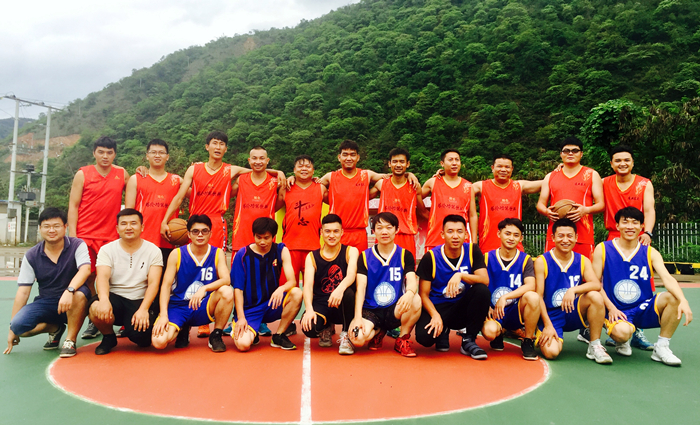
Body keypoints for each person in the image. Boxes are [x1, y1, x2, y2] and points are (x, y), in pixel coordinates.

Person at [159, 131, 282, 338]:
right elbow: (180, 196)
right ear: (207, 146)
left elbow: (257, 167)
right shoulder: (194, 169)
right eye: (214, 143)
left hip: (217, 221)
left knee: (216, 271)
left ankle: (211, 318)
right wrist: (165, 220)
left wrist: (279, 172)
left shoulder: (230, 170)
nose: (218, 147)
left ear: (226, 149)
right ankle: (188, 312)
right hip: (196, 221)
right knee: (189, 269)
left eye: (222, 144)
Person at [592, 207, 692, 365]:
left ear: (641, 227)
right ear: (617, 226)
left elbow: (667, 278)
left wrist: (683, 300)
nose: (630, 226)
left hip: (642, 307)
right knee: (622, 333)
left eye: (634, 223)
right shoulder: (603, 249)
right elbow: (594, 283)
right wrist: (610, 308)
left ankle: (662, 347)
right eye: (625, 222)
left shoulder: (650, 252)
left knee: (674, 297)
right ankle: (622, 338)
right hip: (616, 309)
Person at [4, 208, 91, 358]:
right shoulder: (31, 255)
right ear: (40, 228)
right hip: (47, 301)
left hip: (74, 299)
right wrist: (12, 328)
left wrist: (69, 290)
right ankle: (55, 328)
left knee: (78, 295)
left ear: (65, 227)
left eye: (56, 226)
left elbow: (85, 269)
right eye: (47, 226)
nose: (51, 230)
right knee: (18, 326)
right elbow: (23, 291)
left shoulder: (77, 245)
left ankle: (70, 340)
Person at [68, 136, 128, 339]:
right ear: (94, 153)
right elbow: (73, 205)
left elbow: (139, 186)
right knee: (89, 278)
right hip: (85, 235)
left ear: (115, 154)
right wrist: (73, 237)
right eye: (101, 152)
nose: (105, 156)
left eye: (109, 152)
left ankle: (115, 316)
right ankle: (94, 317)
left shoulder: (122, 174)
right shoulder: (83, 174)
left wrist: (142, 170)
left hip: (111, 236)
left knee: (113, 277)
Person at [599, 145, 657, 349]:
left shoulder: (644, 183)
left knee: (641, 283)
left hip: (637, 237)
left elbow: (649, 210)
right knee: (610, 284)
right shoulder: (604, 182)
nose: (622, 163)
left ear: (632, 163)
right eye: (618, 160)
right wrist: (562, 168)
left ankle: (638, 330)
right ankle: (613, 324)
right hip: (614, 237)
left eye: (626, 160)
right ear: (611, 164)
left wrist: (647, 233)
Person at [535, 218, 612, 364]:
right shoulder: (542, 261)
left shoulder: (583, 260)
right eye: (561, 236)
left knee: (595, 296)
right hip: (551, 315)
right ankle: (543, 333)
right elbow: (538, 296)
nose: (565, 240)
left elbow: (596, 284)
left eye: (569, 236)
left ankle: (594, 345)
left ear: (576, 237)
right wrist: (548, 325)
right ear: (553, 238)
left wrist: (573, 290)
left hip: (572, 311)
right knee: (551, 352)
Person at [151, 215, 233, 352]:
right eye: (195, 231)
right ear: (189, 234)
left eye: (204, 231)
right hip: (179, 305)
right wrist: (164, 315)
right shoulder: (177, 254)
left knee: (227, 291)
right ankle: (182, 328)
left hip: (203, 305)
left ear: (210, 233)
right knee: (159, 342)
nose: (200, 235)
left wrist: (204, 288)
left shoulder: (217, 253)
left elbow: (226, 280)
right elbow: (166, 286)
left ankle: (216, 334)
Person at [415, 215, 490, 359]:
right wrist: (435, 315)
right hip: (439, 306)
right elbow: (423, 294)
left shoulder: (472, 251)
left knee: (482, 290)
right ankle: (443, 330)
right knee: (424, 338)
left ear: (466, 234)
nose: (455, 236)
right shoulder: (431, 257)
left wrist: (461, 275)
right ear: (442, 234)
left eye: (459, 231)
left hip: (461, 307)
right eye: (450, 231)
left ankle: (469, 340)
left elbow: (484, 280)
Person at [88, 209, 163, 355]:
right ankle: (108, 337)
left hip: (139, 300)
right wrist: (104, 300)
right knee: (96, 307)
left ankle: (131, 328)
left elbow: (154, 284)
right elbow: (102, 278)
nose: (128, 227)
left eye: (133, 223)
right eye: (124, 224)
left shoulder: (153, 250)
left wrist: (144, 309)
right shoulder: (107, 250)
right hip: (115, 298)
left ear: (142, 227)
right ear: (117, 228)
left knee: (142, 339)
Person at [348, 212, 421, 357]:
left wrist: (409, 293)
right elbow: (360, 288)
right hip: (371, 311)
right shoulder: (364, 256)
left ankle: (402, 339)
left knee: (415, 299)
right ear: (373, 231)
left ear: (396, 229)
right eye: (380, 228)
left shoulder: (404, 255)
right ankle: (377, 331)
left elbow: (412, 281)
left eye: (389, 227)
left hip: (395, 309)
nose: (384, 232)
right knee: (357, 339)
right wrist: (357, 317)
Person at [318, 139, 411, 251]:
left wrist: (409, 174)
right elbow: (313, 188)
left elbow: (392, 176)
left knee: (360, 262)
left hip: (359, 233)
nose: (349, 158)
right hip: (336, 232)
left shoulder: (366, 175)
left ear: (358, 157)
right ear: (339, 157)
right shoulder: (330, 177)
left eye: (352, 155)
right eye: (345, 155)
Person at [231, 218, 302, 351]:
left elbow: (292, 281)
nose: (262, 241)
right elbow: (238, 289)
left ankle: (279, 335)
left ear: (273, 236)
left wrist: (281, 288)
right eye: (258, 237)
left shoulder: (281, 250)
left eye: (266, 238)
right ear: (253, 235)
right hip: (250, 309)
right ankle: (249, 330)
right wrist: (241, 318)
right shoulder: (243, 254)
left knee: (297, 293)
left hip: (272, 304)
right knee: (243, 345)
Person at [480, 218, 540, 360]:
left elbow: (531, 285)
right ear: (499, 234)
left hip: (515, 310)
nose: (511, 238)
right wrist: (485, 305)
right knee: (489, 332)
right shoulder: (487, 257)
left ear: (521, 238)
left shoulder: (525, 259)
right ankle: (499, 333)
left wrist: (505, 297)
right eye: (507, 233)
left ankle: (528, 340)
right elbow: (478, 284)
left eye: (516, 235)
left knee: (533, 297)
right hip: (494, 311)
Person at [536, 137, 604, 259]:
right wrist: (547, 212)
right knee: (552, 269)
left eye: (575, 150)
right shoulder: (550, 176)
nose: (570, 153)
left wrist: (585, 210)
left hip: (583, 234)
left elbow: (601, 204)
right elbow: (540, 204)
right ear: (561, 154)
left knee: (584, 269)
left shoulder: (591, 175)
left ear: (581, 154)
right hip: (556, 235)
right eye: (566, 150)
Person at [300, 214, 359, 355]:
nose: (331, 235)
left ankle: (346, 334)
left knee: (348, 293)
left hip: (343, 303)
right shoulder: (312, 257)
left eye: (336, 231)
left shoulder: (351, 251)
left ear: (342, 232)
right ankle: (325, 327)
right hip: (322, 302)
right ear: (321, 232)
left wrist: (339, 290)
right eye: (327, 231)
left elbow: (351, 275)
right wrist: (309, 309)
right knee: (309, 328)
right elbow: (308, 286)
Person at [125, 139, 183, 268]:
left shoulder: (176, 180)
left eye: (161, 152)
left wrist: (197, 168)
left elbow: (197, 190)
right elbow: (127, 214)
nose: (157, 155)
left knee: (164, 279)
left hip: (168, 240)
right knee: (141, 279)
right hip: (142, 240)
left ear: (167, 157)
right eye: (153, 152)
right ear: (147, 156)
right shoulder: (136, 179)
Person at [473, 154, 543, 253]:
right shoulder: (481, 186)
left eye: (507, 167)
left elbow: (546, 182)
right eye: (499, 166)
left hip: (515, 247)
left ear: (512, 169)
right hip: (488, 246)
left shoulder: (518, 186)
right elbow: (460, 190)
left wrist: (562, 169)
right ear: (492, 168)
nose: (503, 170)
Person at [371, 148, 428, 259]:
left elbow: (422, 211)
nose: (398, 165)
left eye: (402, 162)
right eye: (395, 161)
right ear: (389, 164)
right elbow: (362, 197)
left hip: (406, 237)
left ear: (407, 164)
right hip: (384, 234)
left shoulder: (414, 187)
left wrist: (442, 224)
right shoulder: (381, 184)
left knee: (406, 268)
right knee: (381, 267)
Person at [281, 155, 327, 283]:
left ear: (313, 170)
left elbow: (338, 198)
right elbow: (272, 206)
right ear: (294, 170)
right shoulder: (286, 189)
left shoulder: (321, 188)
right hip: (290, 247)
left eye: (308, 166)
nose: (304, 169)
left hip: (313, 247)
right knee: (288, 287)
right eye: (300, 166)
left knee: (312, 286)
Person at [422, 149, 478, 251]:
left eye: (457, 160)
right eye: (450, 160)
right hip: (435, 239)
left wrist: (474, 242)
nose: (454, 163)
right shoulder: (433, 182)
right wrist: (425, 213)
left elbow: (472, 215)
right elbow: (414, 198)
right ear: (442, 163)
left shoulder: (468, 186)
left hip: (461, 242)